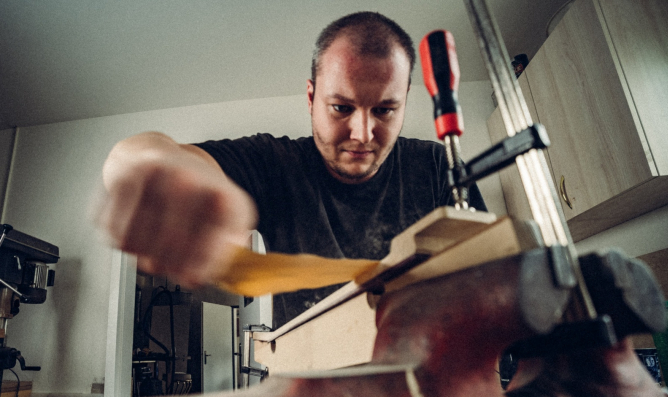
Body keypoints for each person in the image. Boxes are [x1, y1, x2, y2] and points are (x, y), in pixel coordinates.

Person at [98, 11, 486, 328]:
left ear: (404, 102)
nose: (363, 133)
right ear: (311, 97)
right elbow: (145, 153)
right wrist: (153, 174)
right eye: (342, 108)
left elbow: (494, 275)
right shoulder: (275, 165)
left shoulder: (437, 165)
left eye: (385, 110)